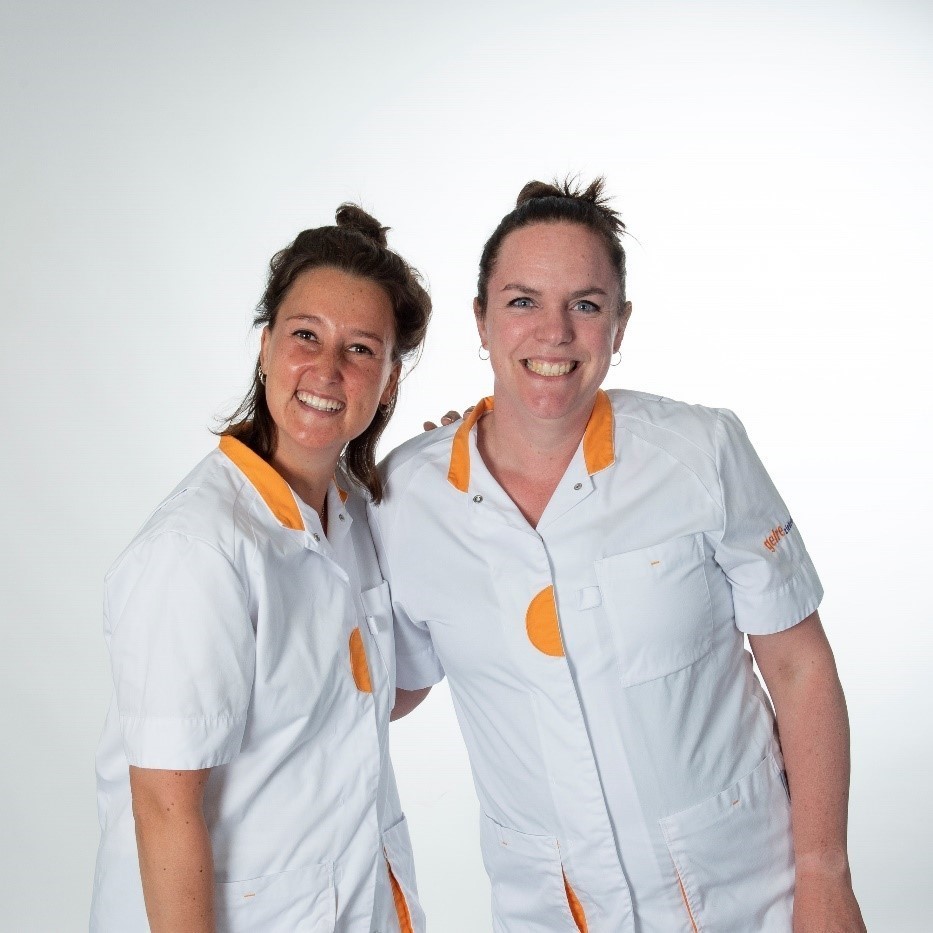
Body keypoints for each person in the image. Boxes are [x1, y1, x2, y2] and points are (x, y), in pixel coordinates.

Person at [375, 179, 866, 932]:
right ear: (480, 319)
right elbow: (388, 688)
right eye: (522, 301)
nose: (553, 332)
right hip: (550, 906)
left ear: (619, 323)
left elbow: (799, 666)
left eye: (585, 304)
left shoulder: (700, 451)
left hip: (748, 892)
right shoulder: (408, 496)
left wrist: (825, 875)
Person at [91, 205, 430, 932]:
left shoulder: (351, 514)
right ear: (266, 346)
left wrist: (453, 506)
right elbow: (163, 804)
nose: (327, 370)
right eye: (306, 335)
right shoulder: (199, 550)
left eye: (361, 348)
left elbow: (369, 699)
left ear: (389, 382)